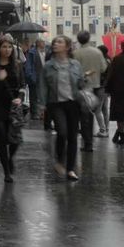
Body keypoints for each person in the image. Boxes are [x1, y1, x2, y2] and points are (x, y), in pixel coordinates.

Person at [38, 35, 84, 181]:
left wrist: (85, 80)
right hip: (55, 103)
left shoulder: (75, 64)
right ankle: (59, 161)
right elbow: (43, 86)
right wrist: (42, 105)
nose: (55, 44)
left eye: (59, 42)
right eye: (54, 42)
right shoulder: (48, 66)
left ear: (67, 46)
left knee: (72, 136)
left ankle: (70, 169)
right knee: (62, 132)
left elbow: (81, 84)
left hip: (73, 103)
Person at [0, 35, 25, 183]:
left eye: (9, 47)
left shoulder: (17, 65)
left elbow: (22, 85)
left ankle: (10, 158)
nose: (7, 50)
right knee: (2, 139)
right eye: (4, 47)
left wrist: (19, 98)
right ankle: (7, 173)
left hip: (14, 106)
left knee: (15, 140)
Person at [73, 31, 108, 152]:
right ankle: (89, 142)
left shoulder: (75, 53)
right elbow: (103, 68)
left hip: (81, 87)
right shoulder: (97, 52)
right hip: (96, 86)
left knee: (82, 115)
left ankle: (86, 141)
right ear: (89, 39)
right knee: (91, 114)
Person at [105, 37, 124, 145]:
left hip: (117, 90)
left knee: (120, 114)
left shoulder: (117, 58)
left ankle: (121, 134)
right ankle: (121, 134)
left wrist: (108, 89)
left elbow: (111, 75)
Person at [25, 38, 46, 120]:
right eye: (42, 42)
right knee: (33, 96)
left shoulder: (44, 52)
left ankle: (40, 113)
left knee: (41, 95)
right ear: (38, 43)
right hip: (34, 76)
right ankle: (34, 113)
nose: (44, 44)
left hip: (42, 77)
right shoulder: (32, 52)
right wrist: (30, 75)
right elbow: (28, 65)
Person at [94, 45, 111, 137]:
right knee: (104, 109)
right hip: (107, 87)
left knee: (97, 109)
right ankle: (106, 129)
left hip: (100, 86)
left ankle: (102, 130)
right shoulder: (109, 60)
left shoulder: (102, 62)